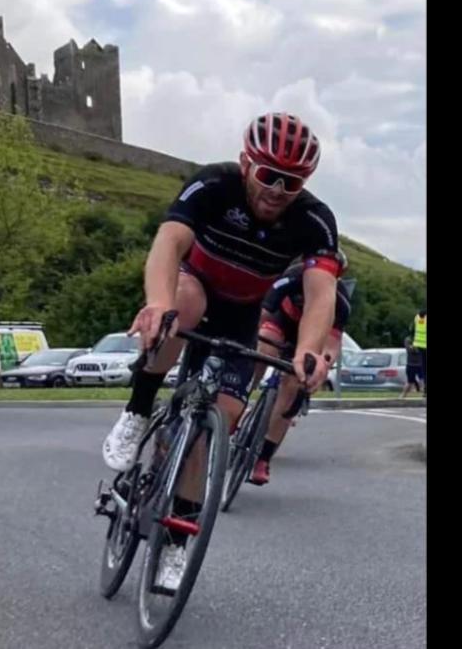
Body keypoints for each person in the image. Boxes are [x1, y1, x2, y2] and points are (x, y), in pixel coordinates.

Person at [101, 112, 343, 590]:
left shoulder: (314, 220)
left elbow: (321, 294)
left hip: (242, 314)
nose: (277, 190)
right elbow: (169, 242)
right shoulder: (214, 184)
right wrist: (158, 303)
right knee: (182, 304)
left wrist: (309, 351)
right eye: (268, 174)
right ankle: (138, 410)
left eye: (292, 182)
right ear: (245, 163)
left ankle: (177, 541)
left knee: (221, 420)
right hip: (195, 287)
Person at [248, 257, 352, 485]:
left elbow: (331, 345)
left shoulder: (340, 301)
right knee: (264, 346)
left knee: (293, 386)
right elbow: (263, 313)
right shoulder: (292, 277)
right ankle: (242, 395)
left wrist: (322, 364)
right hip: (280, 322)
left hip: (311, 337)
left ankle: (263, 459)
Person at [409, 309, 426, 395]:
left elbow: (411, 329)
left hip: (419, 345)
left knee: (424, 367)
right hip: (425, 345)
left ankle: (425, 389)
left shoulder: (417, 318)